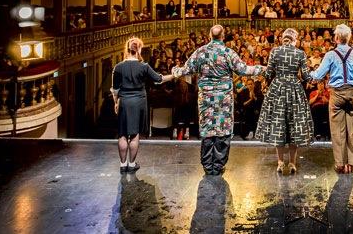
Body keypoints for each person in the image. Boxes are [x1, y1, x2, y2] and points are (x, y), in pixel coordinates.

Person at [172, 25, 265, 175]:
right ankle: (219, 165)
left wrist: (174, 71)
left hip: (206, 99)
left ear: (210, 35)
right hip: (224, 99)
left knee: (208, 130)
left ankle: (208, 166)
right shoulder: (228, 53)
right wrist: (262, 68)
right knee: (223, 130)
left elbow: (185, 70)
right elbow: (244, 70)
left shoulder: (200, 52)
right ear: (223, 36)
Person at [311, 24, 353, 174]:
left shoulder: (330, 55)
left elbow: (318, 75)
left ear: (336, 38)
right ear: (348, 38)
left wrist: (307, 73)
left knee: (337, 131)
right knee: (352, 130)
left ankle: (340, 164)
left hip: (336, 94)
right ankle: (351, 163)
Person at [111, 37, 174, 173]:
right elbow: (159, 79)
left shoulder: (118, 67)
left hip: (124, 101)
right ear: (139, 49)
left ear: (127, 49)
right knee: (134, 134)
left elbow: (115, 89)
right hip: (139, 101)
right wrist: (174, 75)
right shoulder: (144, 66)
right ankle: (132, 164)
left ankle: (123, 165)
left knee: (122, 134)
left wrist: (116, 103)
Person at [255, 28, 314, 174]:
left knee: (278, 123)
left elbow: (268, 73)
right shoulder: (300, 53)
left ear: (283, 39)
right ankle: (293, 163)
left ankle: (280, 162)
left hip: (278, 89)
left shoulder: (275, 51)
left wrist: (257, 70)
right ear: (295, 40)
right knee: (294, 125)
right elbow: (307, 77)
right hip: (294, 89)